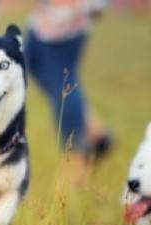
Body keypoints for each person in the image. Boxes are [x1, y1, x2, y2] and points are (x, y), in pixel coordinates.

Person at [24, 0, 114, 179]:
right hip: (41, 23)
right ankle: (95, 131)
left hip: (66, 26)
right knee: (30, 67)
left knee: (64, 89)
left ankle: (77, 161)